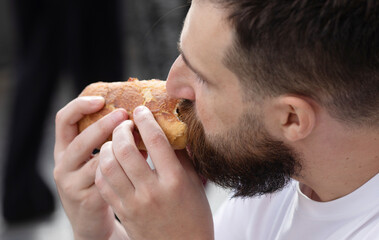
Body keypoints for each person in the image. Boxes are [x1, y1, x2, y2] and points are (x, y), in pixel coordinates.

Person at [53, 0, 379, 239]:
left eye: (202, 77)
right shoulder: (278, 169)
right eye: (183, 55)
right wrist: (99, 230)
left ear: (291, 118)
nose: (172, 85)